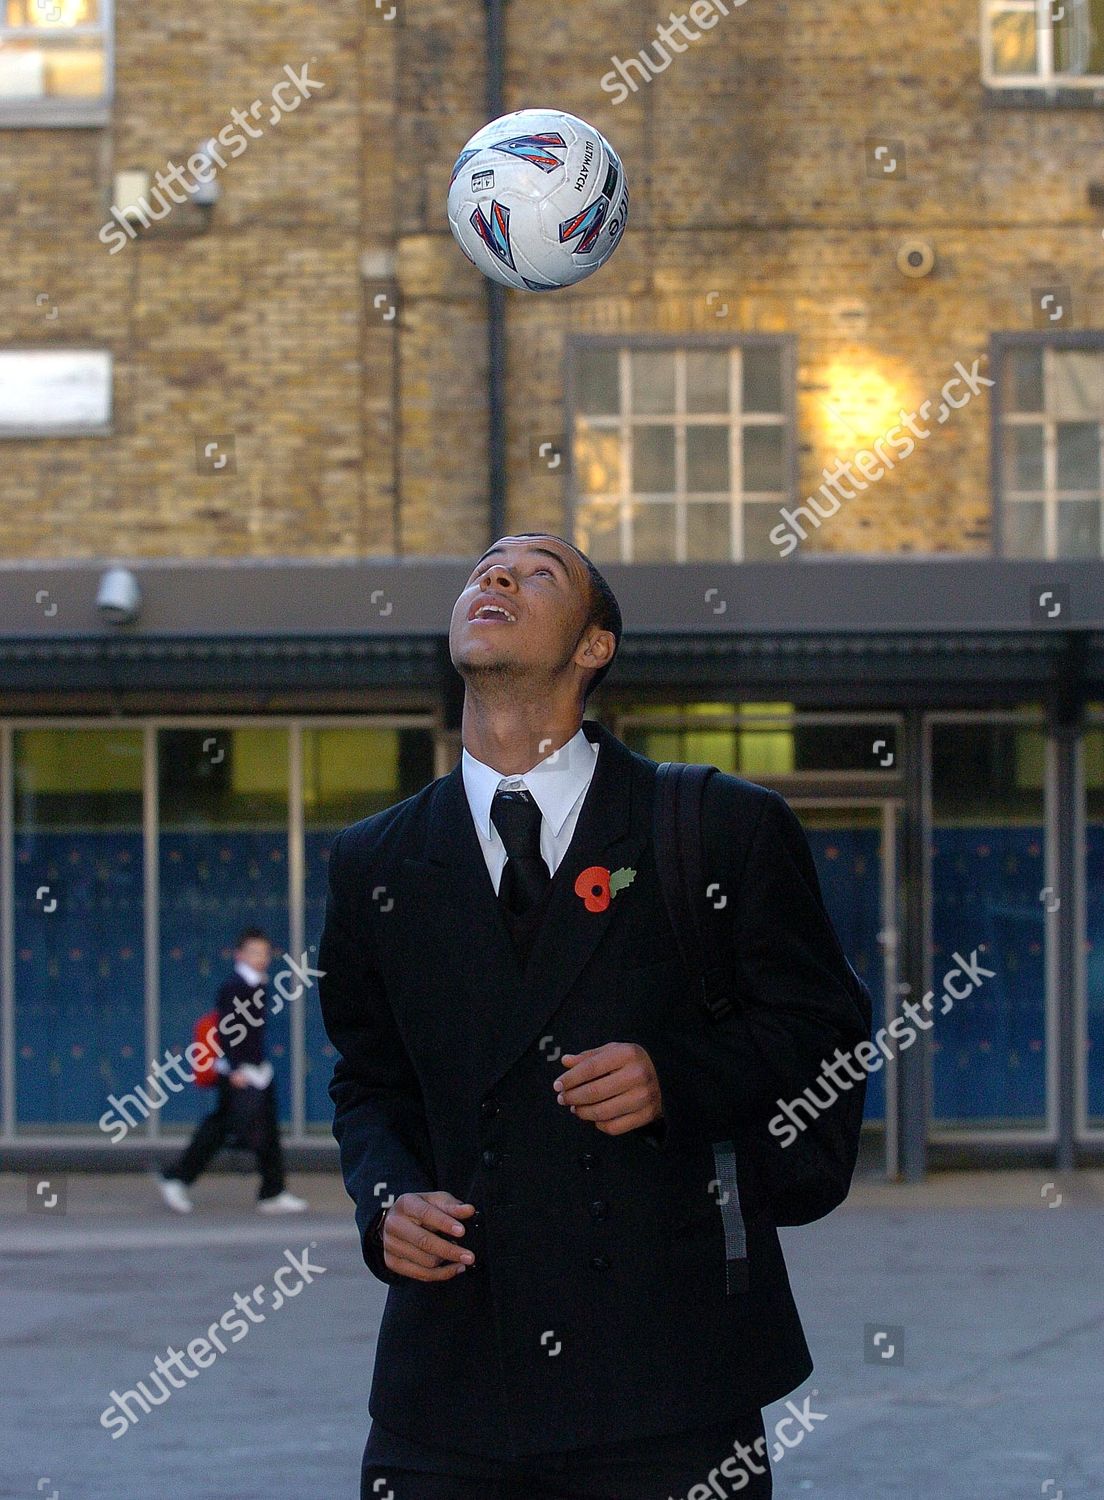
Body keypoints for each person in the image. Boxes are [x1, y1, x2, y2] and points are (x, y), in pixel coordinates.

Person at [318, 534, 870, 1500]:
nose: (495, 578)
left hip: (668, 1389)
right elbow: (371, 1082)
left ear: (594, 647)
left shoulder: (716, 826)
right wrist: (385, 1203)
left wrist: (676, 1075)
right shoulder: (375, 861)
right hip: (447, 1392)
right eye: (485, 568)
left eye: (538, 573)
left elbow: (826, 1038)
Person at [158, 927, 306, 1215]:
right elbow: (227, 1031)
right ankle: (177, 1177)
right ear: (240, 955)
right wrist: (236, 1069)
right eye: (254, 952)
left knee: (262, 1131)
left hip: (256, 1071)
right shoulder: (235, 986)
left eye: (264, 953)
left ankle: (272, 1191)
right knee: (222, 1128)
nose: (260, 958)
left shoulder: (257, 984)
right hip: (240, 1073)